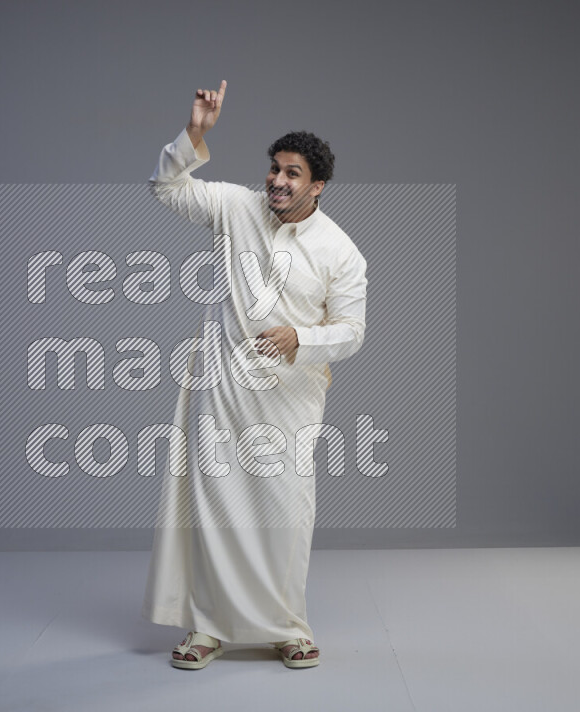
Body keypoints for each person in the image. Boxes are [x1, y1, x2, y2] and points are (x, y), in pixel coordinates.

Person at [141, 79, 368, 669]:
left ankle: (288, 626)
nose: (277, 181)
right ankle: (208, 627)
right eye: (274, 168)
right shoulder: (235, 206)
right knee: (215, 505)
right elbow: (166, 187)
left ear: (317, 186)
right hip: (220, 387)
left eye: (293, 174)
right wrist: (196, 133)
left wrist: (302, 338)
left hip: (290, 397)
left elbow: (351, 331)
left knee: (285, 510)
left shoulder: (341, 251)